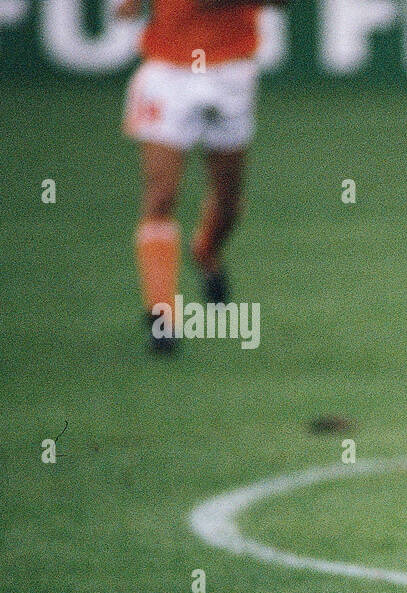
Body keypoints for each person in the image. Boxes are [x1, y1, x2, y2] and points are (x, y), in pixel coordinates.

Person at [115, 0, 285, 353]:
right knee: (160, 196)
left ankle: (206, 252)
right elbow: (125, 9)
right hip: (168, 71)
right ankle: (162, 317)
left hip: (230, 72)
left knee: (227, 199)